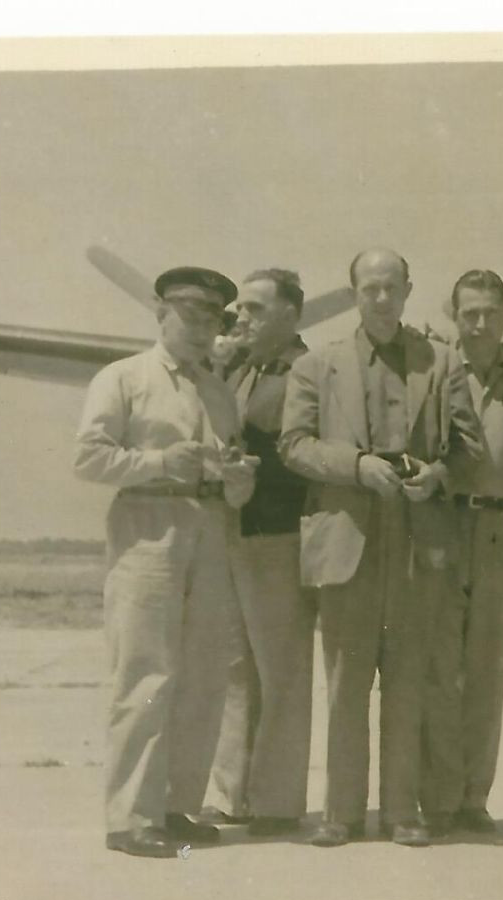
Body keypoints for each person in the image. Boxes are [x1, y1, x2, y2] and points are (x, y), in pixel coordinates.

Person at [279, 247, 481, 848]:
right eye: (370, 288)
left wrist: (437, 475)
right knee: (345, 683)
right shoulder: (317, 365)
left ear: (409, 288)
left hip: (419, 545)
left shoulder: (442, 363)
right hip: (348, 543)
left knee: (408, 681)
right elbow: (292, 444)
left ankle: (401, 813)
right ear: (354, 294)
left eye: (392, 287)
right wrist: (357, 465)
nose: (382, 298)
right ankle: (340, 813)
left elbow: (469, 451)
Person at [73, 266, 256, 859]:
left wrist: (238, 479)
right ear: (161, 314)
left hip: (211, 531)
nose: (204, 329)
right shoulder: (123, 378)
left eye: (214, 319)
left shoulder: (220, 391)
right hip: (148, 529)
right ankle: (130, 817)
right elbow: (90, 458)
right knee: (146, 674)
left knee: (204, 675)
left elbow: (236, 476)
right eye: (191, 315)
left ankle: (176, 807)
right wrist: (159, 463)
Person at [200, 269, 319, 838]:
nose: (239, 318)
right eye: (239, 309)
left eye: (253, 309)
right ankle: (230, 795)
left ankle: (276, 801)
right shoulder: (238, 365)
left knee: (282, 672)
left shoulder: (310, 370)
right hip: (235, 532)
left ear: (291, 315)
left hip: (280, 535)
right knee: (234, 669)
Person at [423, 269, 503, 835]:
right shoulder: (436, 370)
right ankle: (438, 798)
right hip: (447, 527)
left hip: (501, 532)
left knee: (488, 669)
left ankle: (473, 797)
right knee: (442, 668)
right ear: (454, 316)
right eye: (470, 313)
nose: (481, 323)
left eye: (492, 311)